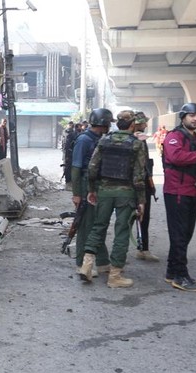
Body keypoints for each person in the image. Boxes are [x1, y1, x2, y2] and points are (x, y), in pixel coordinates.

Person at [79, 110, 147, 288]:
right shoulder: (136, 144)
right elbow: (139, 176)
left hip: (104, 192)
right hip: (126, 194)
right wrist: (141, 200)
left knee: (98, 227)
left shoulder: (104, 140)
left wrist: (92, 190)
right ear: (132, 124)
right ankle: (115, 276)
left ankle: (87, 265)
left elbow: (92, 168)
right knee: (122, 232)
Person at [162, 103, 196, 292]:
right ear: (183, 117)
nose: (195, 119)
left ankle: (171, 271)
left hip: (192, 191)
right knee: (180, 234)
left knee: (185, 234)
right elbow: (176, 157)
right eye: (192, 115)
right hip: (177, 191)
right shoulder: (174, 136)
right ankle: (180, 275)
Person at [71, 108, 113, 279]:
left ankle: (103, 262)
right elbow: (76, 168)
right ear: (103, 123)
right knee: (86, 226)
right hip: (85, 186)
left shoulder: (98, 139)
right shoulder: (84, 140)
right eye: (108, 123)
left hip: (96, 185)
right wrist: (76, 194)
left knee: (98, 224)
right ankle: (81, 263)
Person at [133, 111, 160, 262]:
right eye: (144, 122)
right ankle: (143, 249)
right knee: (143, 216)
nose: (146, 124)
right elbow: (142, 166)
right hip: (140, 184)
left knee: (129, 219)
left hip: (133, 183)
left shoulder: (128, 138)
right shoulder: (139, 139)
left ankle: (141, 248)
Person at [61, 121, 77, 188]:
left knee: (69, 166)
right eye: (69, 124)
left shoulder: (74, 133)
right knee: (66, 166)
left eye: (71, 125)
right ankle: (67, 180)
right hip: (65, 152)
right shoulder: (65, 132)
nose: (70, 126)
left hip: (70, 152)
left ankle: (69, 181)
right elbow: (63, 142)